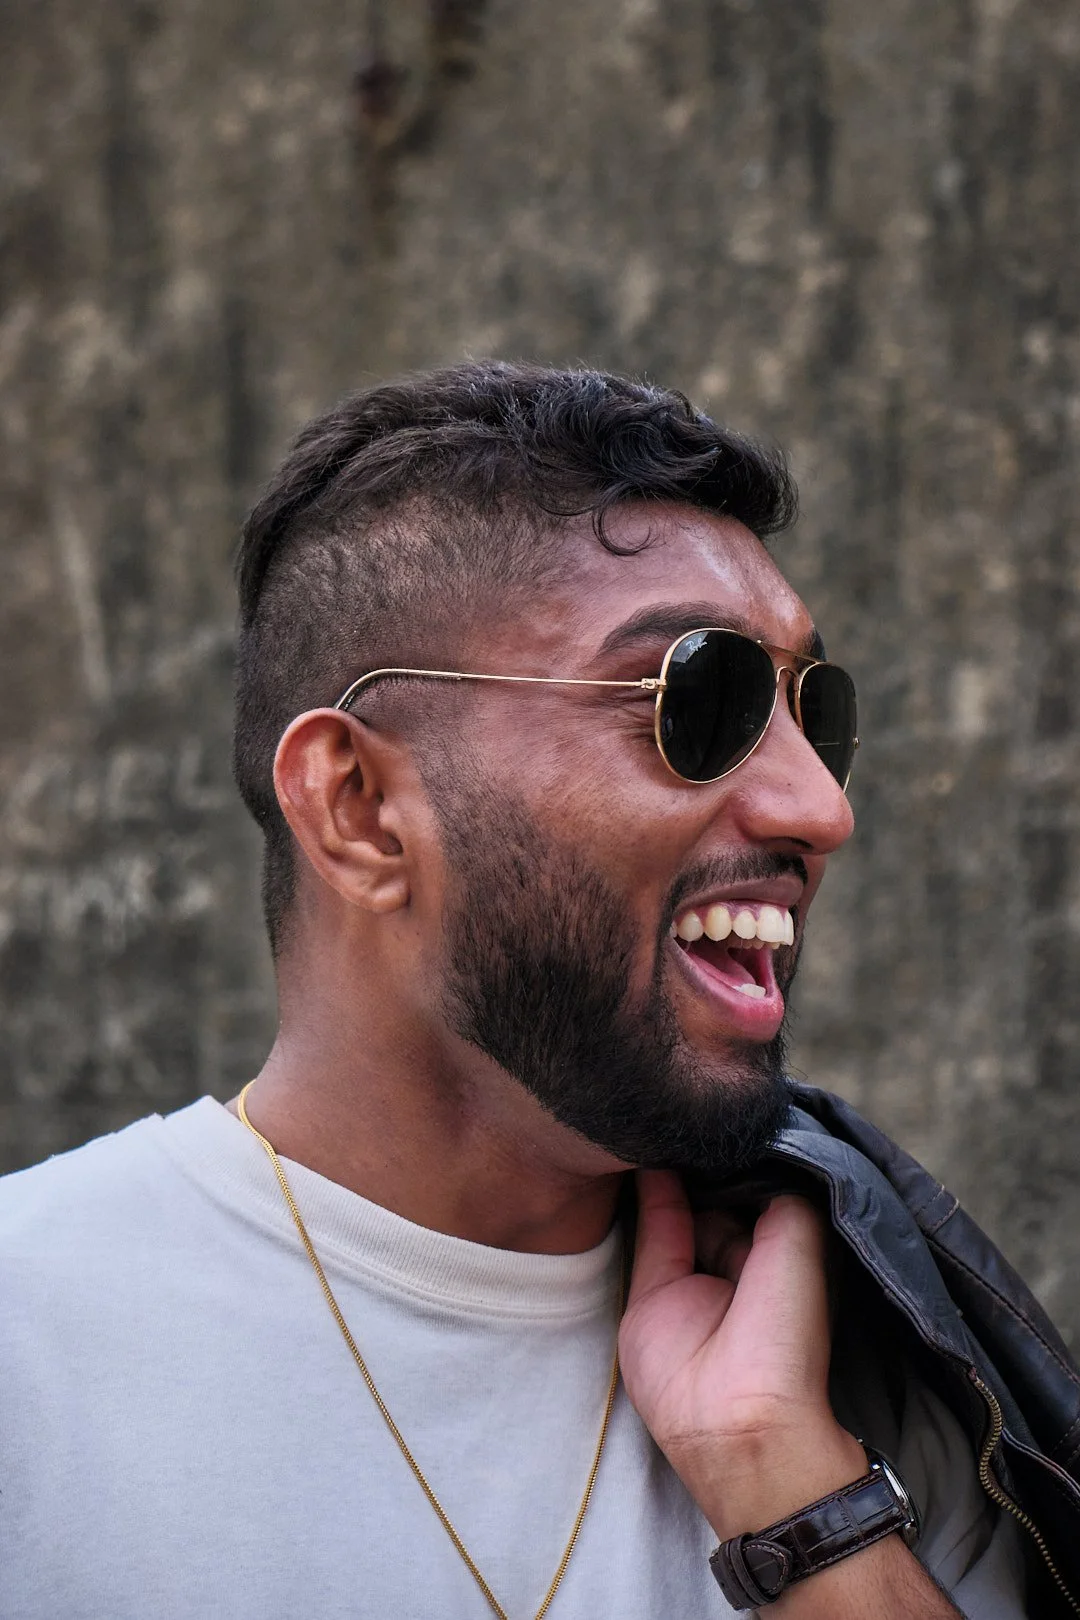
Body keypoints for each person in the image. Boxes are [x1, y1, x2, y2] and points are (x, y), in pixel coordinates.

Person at [2, 362, 1078, 1620]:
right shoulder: (32, 1342)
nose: (819, 807)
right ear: (359, 808)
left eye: (812, 711)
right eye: (701, 696)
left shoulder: (874, 1374)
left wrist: (800, 1506)